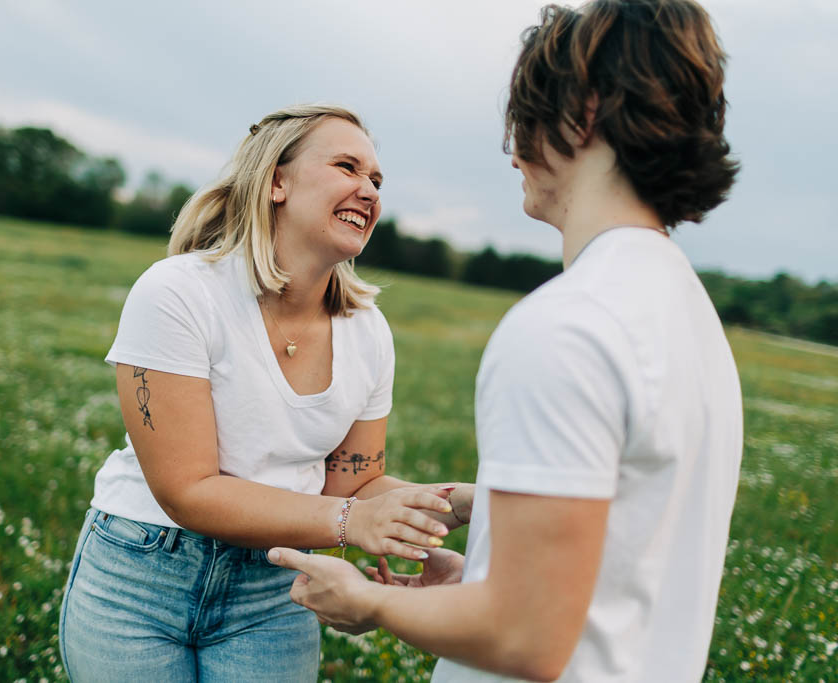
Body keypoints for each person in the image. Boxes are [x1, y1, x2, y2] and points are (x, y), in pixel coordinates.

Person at [268, 1, 743, 681]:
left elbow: (526, 635)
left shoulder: (567, 326)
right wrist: (480, 571)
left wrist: (368, 598)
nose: (512, 148)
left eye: (525, 115)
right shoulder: (690, 319)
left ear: (580, 114)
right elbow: (617, 566)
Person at [57, 104, 474, 682]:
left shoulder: (369, 331)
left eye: (376, 180)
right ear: (276, 181)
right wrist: (352, 519)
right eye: (348, 167)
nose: (368, 190)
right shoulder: (179, 292)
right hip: (142, 573)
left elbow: (354, 482)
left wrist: (458, 502)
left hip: (274, 588)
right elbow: (188, 490)